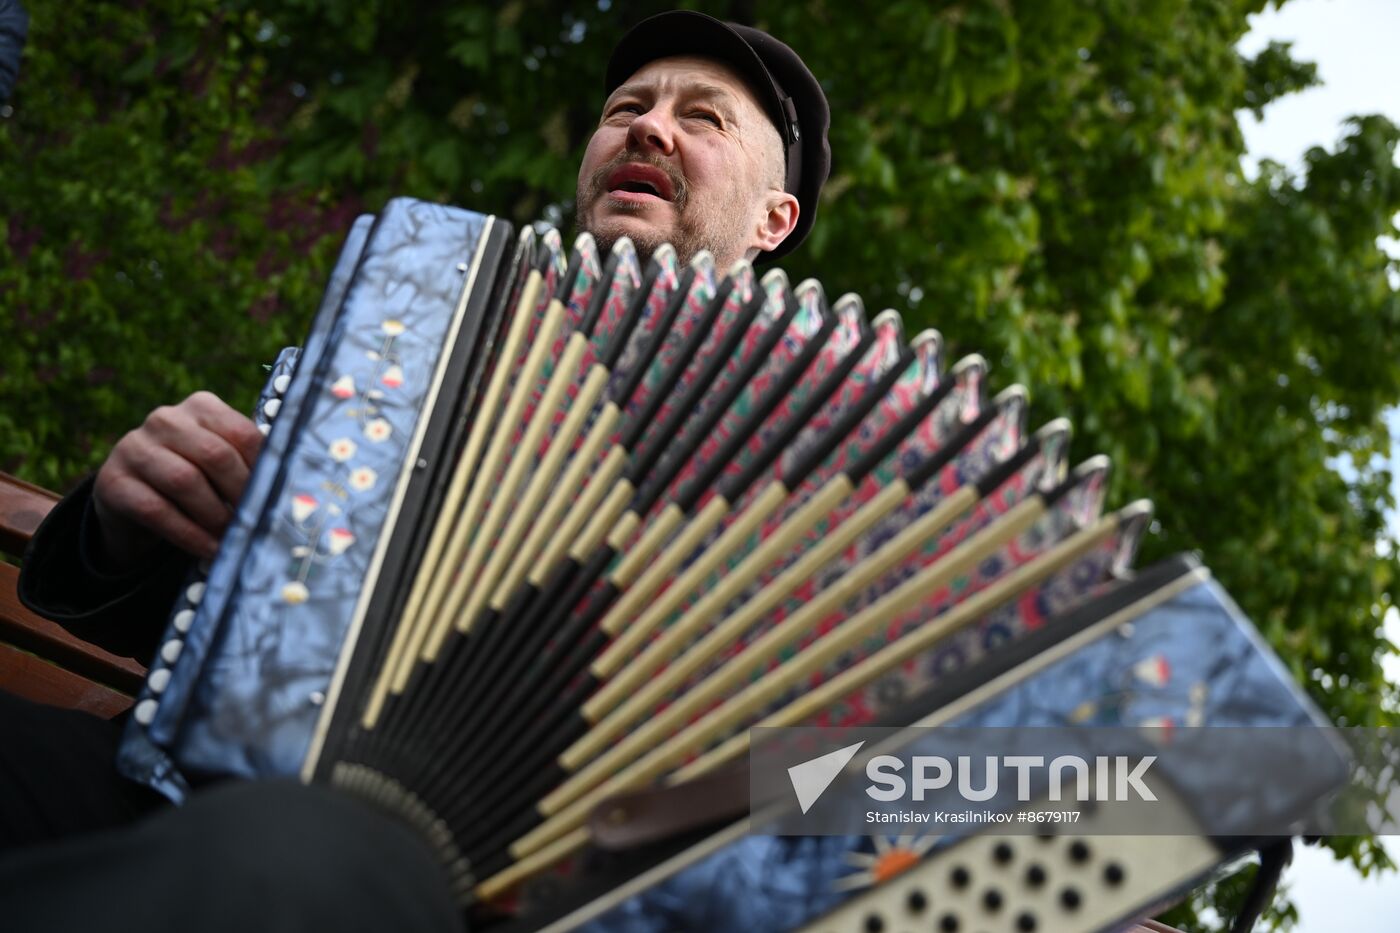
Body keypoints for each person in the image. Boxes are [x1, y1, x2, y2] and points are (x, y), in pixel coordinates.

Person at [1, 11, 831, 932]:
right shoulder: (418, 343)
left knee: (276, 859)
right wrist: (129, 529)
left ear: (774, 216)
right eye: (626, 107)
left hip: (464, 894)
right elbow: (236, 640)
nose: (647, 126)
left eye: (705, 118)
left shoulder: (827, 463)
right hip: (175, 795)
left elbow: (855, 796)